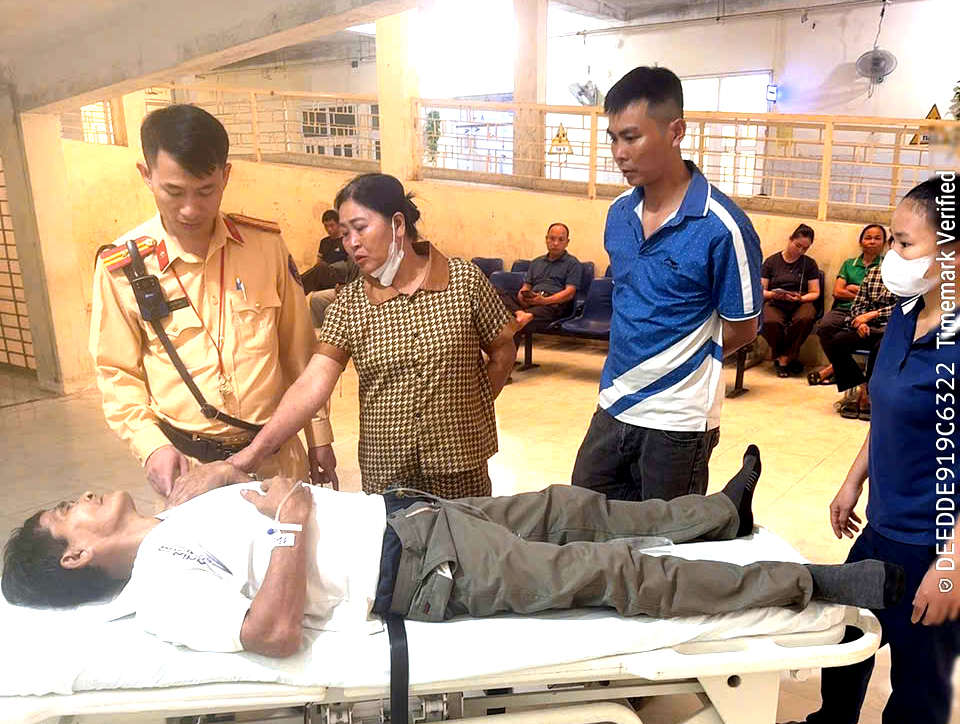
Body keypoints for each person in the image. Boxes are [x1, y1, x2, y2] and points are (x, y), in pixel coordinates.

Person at [2, 447, 905, 659]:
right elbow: (269, 632)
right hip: (415, 569)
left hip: (407, 517)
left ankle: (717, 512)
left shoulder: (172, 525)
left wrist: (233, 481)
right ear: (75, 557)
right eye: (64, 515)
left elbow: (266, 501)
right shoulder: (160, 589)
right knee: (609, 572)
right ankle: (808, 582)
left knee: (567, 507)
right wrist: (288, 517)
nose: (78, 499)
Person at [89, 104, 336, 499]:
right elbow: (117, 372)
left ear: (226, 175)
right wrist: (150, 444)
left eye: (206, 190)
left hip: (276, 457)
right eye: (173, 191)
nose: (191, 208)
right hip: (190, 469)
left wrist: (318, 434)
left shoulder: (265, 247)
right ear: (146, 175)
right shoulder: (122, 268)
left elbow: (299, 355)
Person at [784, 175, 960, 724]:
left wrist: (951, 566)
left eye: (905, 243)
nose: (892, 256)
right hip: (883, 528)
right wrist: (852, 480)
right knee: (846, 641)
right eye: (892, 240)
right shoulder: (905, 316)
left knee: (917, 687)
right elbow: (885, 411)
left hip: (935, 542)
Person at [229, 173, 517, 499]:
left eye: (360, 228)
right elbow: (311, 384)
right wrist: (248, 457)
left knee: (467, 531)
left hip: (462, 466)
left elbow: (503, 352)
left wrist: (468, 408)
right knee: (393, 534)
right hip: (389, 475)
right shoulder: (351, 304)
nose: (351, 243)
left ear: (398, 224)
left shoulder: (464, 281)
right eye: (344, 234)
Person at [571, 66, 763, 502]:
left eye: (631, 137)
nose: (619, 153)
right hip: (614, 404)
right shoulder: (619, 213)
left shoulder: (723, 227)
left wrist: (679, 370)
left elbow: (742, 329)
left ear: (676, 131)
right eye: (613, 138)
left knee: (666, 538)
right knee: (583, 520)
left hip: (679, 422)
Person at [808, 224, 886, 387]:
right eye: (868, 237)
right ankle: (839, 369)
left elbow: (880, 298)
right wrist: (861, 293)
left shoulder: (886, 267)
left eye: (877, 238)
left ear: (884, 243)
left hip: (869, 312)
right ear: (861, 241)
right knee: (825, 326)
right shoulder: (849, 264)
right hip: (844, 308)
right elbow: (837, 292)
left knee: (853, 336)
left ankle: (832, 370)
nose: (872, 241)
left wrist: (852, 288)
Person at [818, 265, 896, 421]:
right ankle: (864, 389)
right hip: (868, 327)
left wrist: (873, 314)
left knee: (879, 349)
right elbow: (858, 305)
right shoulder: (874, 272)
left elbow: (906, 307)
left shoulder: (912, 275)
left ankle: (871, 396)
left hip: (893, 328)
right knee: (837, 342)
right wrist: (861, 323)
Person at [760, 224, 821, 377]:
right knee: (769, 321)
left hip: (800, 301)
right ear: (790, 240)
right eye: (798, 245)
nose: (800, 251)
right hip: (775, 301)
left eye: (805, 248)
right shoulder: (771, 262)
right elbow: (761, 291)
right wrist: (774, 295)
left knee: (806, 318)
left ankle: (783, 359)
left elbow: (815, 293)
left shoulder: (810, 264)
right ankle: (787, 357)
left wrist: (801, 298)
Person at [495, 223, 582, 329]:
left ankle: (522, 315)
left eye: (561, 240)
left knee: (550, 309)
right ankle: (520, 313)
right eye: (552, 238)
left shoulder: (573, 264)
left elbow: (569, 293)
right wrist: (523, 297)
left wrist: (544, 301)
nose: (555, 243)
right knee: (495, 290)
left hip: (552, 304)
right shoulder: (536, 262)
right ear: (546, 239)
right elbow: (527, 286)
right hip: (533, 300)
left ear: (567, 242)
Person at [301, 210, 350, 293]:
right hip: (324, 275)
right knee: (320, 268)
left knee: (322, 267)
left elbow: (350, 266)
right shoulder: (324, 242)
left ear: (339, 224)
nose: (329, 229)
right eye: (326, 226)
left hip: (339, 278)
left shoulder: (346, 241)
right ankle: (297, 289)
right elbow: (318, 262)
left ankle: (296, 283)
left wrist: (332, 267)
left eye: (332, 225)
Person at [308, 256, 361, 328]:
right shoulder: (354, 255)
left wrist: (343, 289)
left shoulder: (372, 258)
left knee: (331, 310)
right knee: (316, 298)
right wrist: (332, 267)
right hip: (349, 290)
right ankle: (320, 331)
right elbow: (348, 267)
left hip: (362, 298)